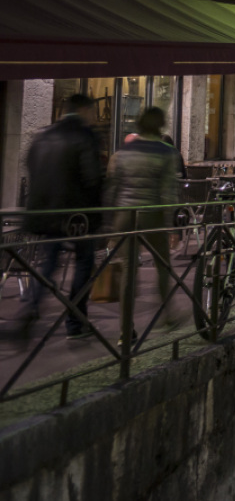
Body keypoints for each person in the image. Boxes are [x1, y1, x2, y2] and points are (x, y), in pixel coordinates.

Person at [21, 94, 103, 339]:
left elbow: (30, 166)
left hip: (45, 212)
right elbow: (92, 178)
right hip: (78, 217)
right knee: (84, 262)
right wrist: (98, 213)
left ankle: (32, 306)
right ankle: (76, 321)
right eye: (92, 111)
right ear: (84, 110)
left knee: (48, 262)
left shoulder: (42, 135)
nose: (94, 117)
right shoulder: (85, 136)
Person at [109, 107, 182, 325]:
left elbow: (115, 184)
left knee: (128, 269)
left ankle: (125, 328)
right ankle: (168, 314)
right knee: (162, 264)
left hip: (125, 214)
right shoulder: (166, 151)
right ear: (160, 124)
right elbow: (168, 192)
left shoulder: (125, 150)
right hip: (152, 214)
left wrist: (110, 222)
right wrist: (172, 226)